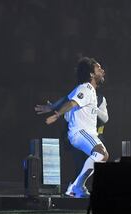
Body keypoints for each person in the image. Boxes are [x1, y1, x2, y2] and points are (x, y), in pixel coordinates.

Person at [42, 57, 109, 198]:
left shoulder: (88, 90)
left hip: (88, 133)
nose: (102, 71)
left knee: (102, 156)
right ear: (91, 74)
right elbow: (72, 103)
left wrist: (52, 106)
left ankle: (75, 187)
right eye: (99, 68)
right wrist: (57, 114)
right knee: (101, 154)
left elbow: (66, 98)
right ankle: (78, 186)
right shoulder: (86, 88)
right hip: (80, 132)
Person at [35, 91, 109, 190]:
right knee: (79, 163)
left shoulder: (100, 98)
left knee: (100, 157)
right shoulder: (76, 97)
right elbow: (67, 111)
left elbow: (105, 118)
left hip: (95, 136)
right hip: (80, 135)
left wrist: (93, 108)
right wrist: (53, 108)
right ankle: (77, 187)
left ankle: (80, 186)